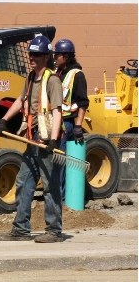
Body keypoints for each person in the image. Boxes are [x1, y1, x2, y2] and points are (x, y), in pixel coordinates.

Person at [0, 34, 64, 243]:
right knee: (24, 182)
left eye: (36, 54)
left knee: (51, 186)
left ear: (45, 57)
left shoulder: (53, 80)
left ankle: (54, 230)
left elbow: (58, 111)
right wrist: (4, 119)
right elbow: (20, 99)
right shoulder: (30, 78)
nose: (31, 58)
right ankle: (21, 228)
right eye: (30, 54)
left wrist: (52, 140)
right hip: (32, 140)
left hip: (47, 141)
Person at [53, 38, 89, 195]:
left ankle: (61, 198)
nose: (54, 58)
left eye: (57, 55)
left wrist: (78, 126)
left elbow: (83, 103)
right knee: (57, 160)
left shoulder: (77, 75)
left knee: (60, 162)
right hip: (55, 123)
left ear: (65, 57)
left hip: (67, 123)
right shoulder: (57, 73)